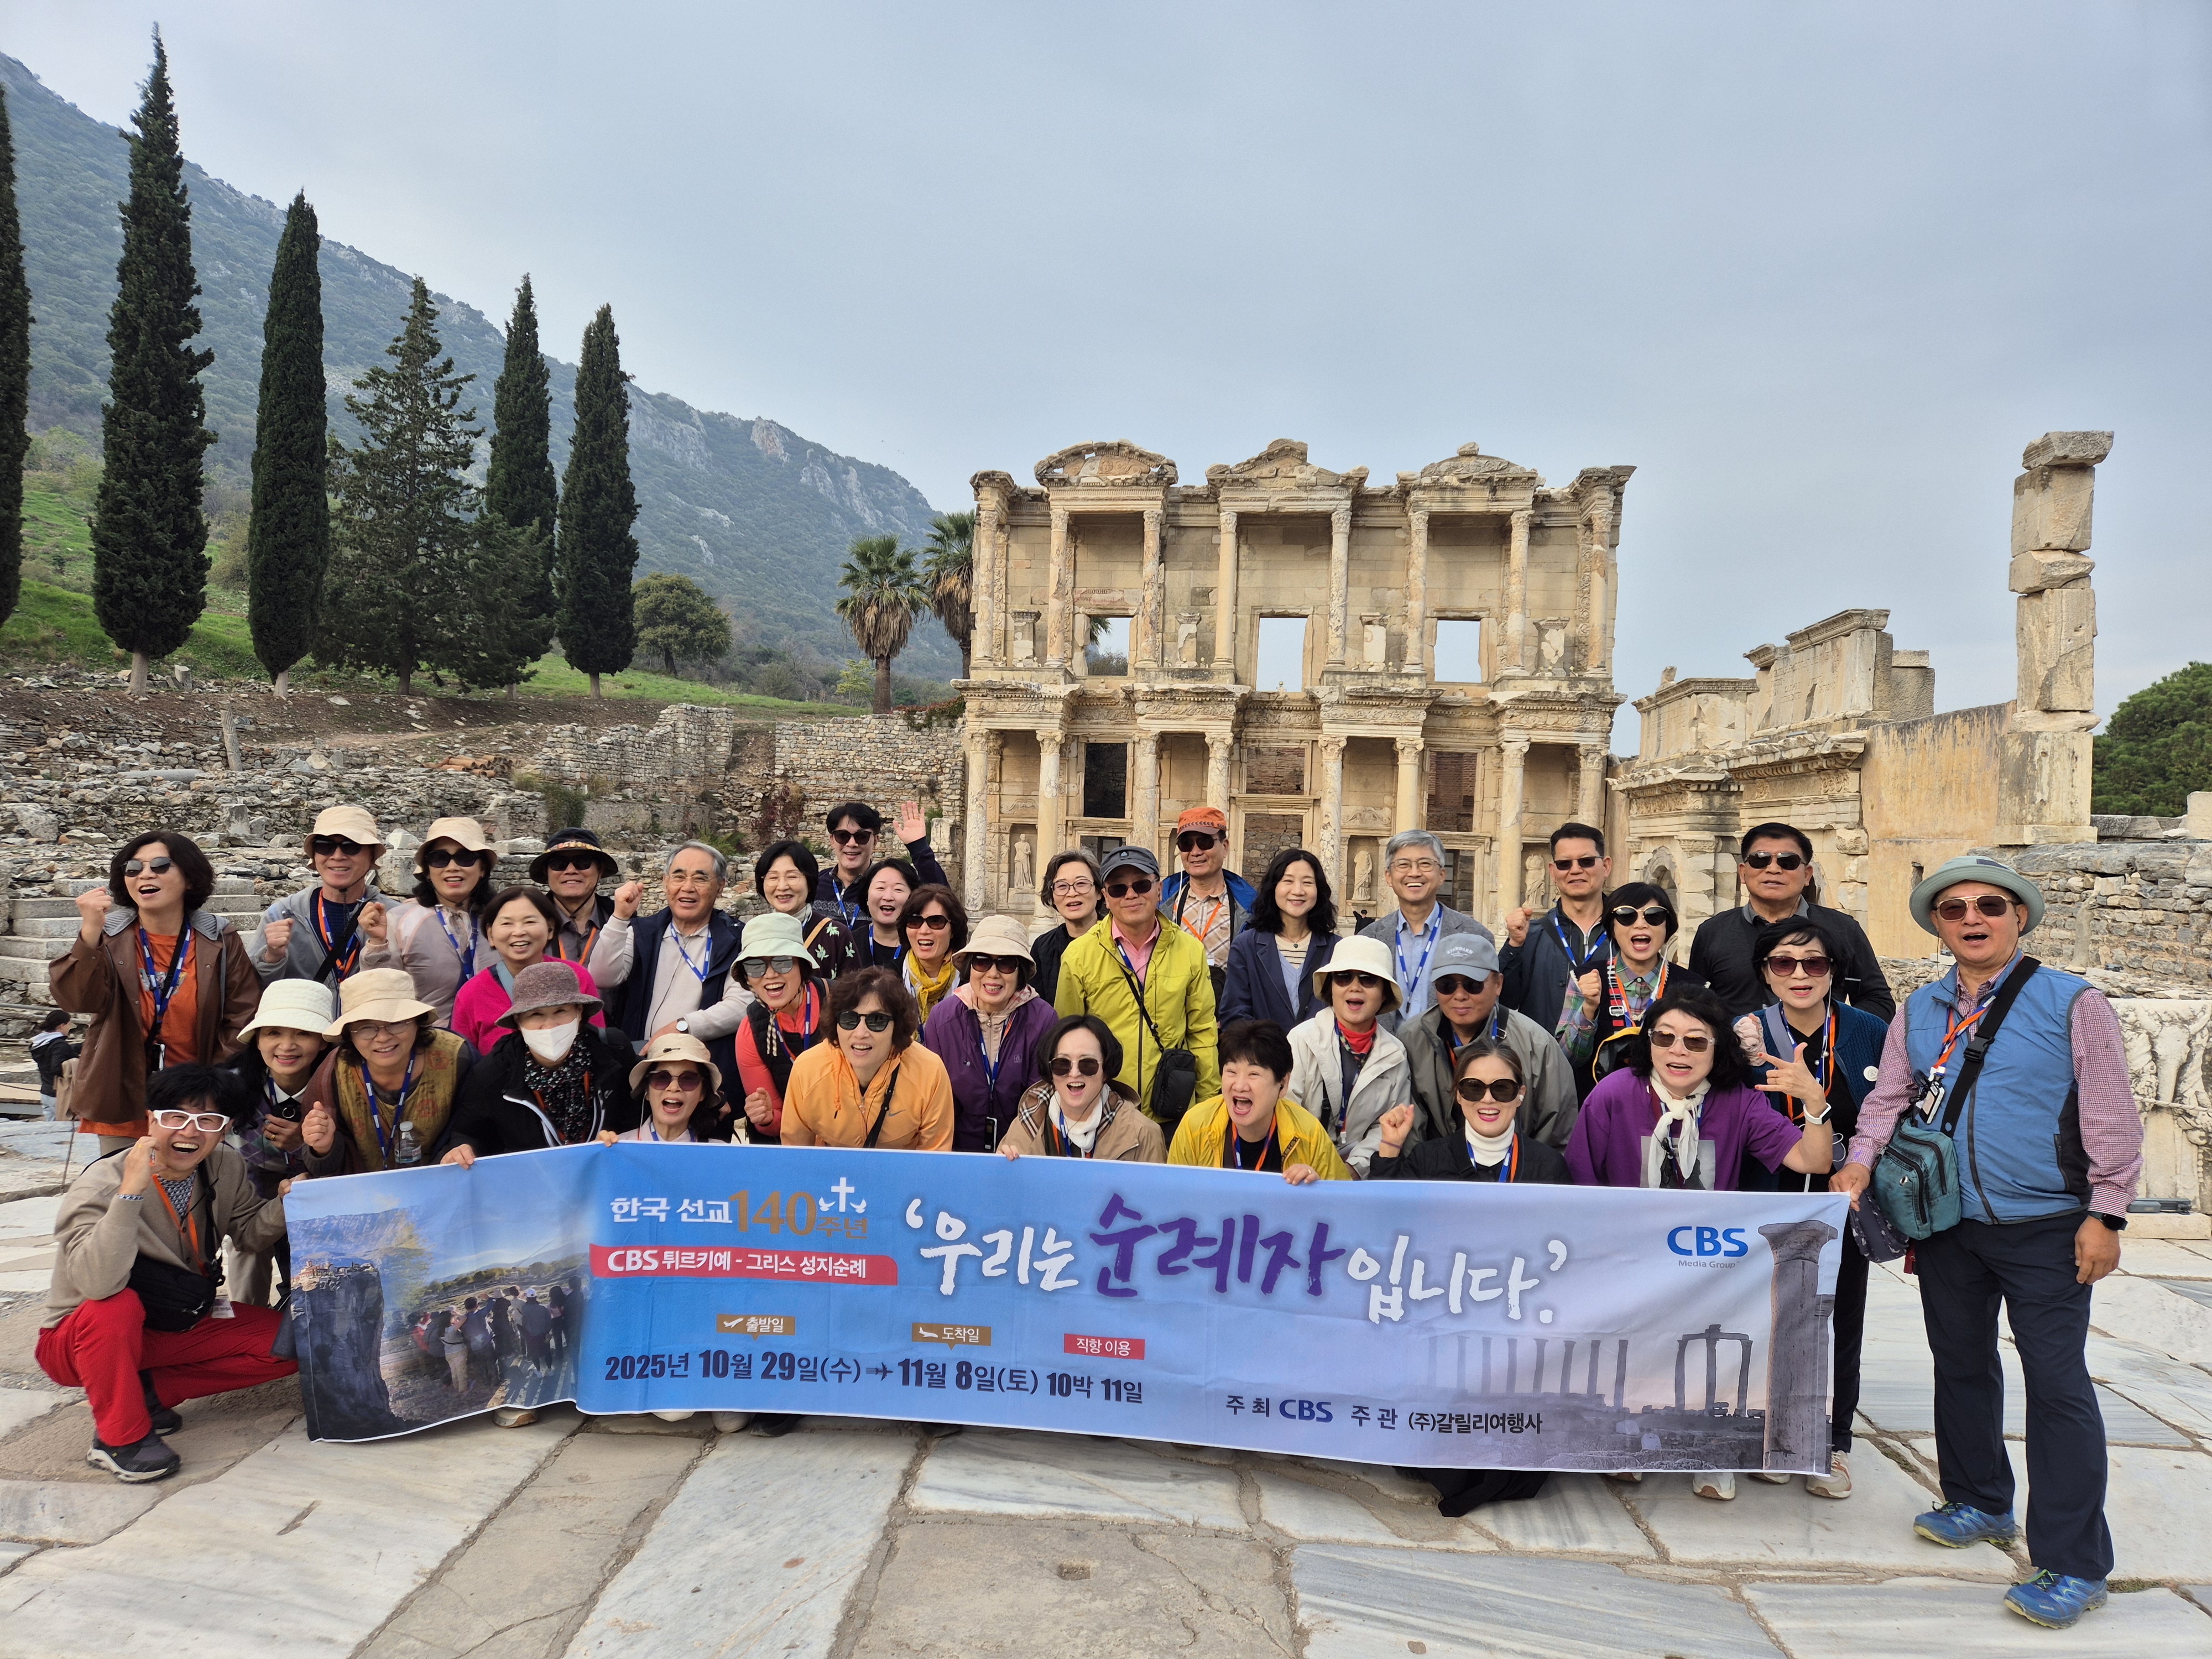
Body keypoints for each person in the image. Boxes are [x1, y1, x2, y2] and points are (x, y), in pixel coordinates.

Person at [1832, 855, 2142, 1630]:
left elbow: (2110, 1111)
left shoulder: (2073, 1003)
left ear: (2019, 917)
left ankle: (2074, 1561)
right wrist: (1860, 1162)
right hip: (1946, 1223)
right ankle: (1977, 1499)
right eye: (1955, 908)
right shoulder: (1921, 1008)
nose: (1973, 918)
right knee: (1961, 1363)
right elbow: (1890, 1098)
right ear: (1938, 925)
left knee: (2058, 1387)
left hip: (2046, 1224)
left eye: (1990, 906)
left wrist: (2107, 1213)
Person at [1567, 987, 1833, 1503]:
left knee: (1712, 1354)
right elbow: (1580, 1178)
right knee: (1633, 1351)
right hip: (1629, 1257)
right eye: (1664, 1037)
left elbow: (1813, 1161)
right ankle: (1630, 1446)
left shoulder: (1739, 1103)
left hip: (1706, 1264)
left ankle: (1712, 1454)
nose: (1678, 1051)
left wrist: (1815, 1105)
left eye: (1695, 1041)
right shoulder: (1615, 1094)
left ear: (1717, 1049)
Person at [35, 1065, 295, 1483]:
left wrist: (286, 1202)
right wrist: (131, 1192)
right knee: (116, 1306)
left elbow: (249, 1234)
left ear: (224, 1130)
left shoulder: (224, 1165)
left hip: (173, 1318)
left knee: (291, 1343)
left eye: (208, 1120)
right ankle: (120, 1439)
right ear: (151, 1120)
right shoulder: (102, 1182)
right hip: (80, 1338)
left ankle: (147, 1394)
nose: (190, 1132)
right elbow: (98, 1285)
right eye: (176, 1117)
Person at [1370, 1040, 1569, 1519]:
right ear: (1458, 1095)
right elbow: (1382, 1224)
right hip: (1441, 1325)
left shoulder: (1547, 1166)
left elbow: (1566, 1254)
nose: (1488, 1099)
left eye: (1502, 1088)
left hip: (1515, 1330)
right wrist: (1390, 1147)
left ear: (1521, 1095)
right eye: (1474, 1088)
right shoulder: (1428, 1159)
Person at [1735, 915, 1885, 1501]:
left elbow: (1888, 1109)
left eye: (1814, 963)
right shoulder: (1745, 1034)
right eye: (1784, 963)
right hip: (1766, 1192)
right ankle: (1772, 1434)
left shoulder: (1867, 1030)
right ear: (1766, 973)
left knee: (1839, 1316)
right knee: (1767, 1317)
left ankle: (1832, 1440)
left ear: (1833, 972)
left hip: (1842, 1196)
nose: (1800, 974)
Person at [54, 831, 261, 1157]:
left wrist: (206, 1077)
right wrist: (90, 932)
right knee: (125, 1180)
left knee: (188, 1183)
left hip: (194, 1102)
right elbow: (77, 1000)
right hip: (123, 1094)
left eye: (161, 865)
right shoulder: (110, 936)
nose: (145, 874)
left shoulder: (219, 937)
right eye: (134, 868)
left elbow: (243, 1014)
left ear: (190, 878)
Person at [1052, 845, 1220, 1125]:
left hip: (1173, 1110)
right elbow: (1066, 1036)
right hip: (1104, 1110)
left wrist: (1207, 1106)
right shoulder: (1079, 955)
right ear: (1106, 897)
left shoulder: (1191, 951)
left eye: (1141, 885)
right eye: (1118, 889)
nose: (1131, 895)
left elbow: (1202, 1032)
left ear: (1159, 889)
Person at [1688, 823, 1895, 1020]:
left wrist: (1834, 1027)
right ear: (1743, 872)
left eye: (1788, 862)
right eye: (1760, 860)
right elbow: (1694, 1004)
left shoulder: (1843, 929)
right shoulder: (1713, 932)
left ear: (1807, 875)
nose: (1773, 869)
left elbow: (1878, 1000)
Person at [1400, 934, 1580, 1151]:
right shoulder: (1411, 1038)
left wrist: (1529, 1168)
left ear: (1498, 984)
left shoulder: (1538, 1045)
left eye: (1473, 985)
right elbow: (1409, 1130)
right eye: (1446, 985)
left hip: (1518, 1168)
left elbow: (1559, 1136)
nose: (1459, 995)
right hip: (1434, 1169)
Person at [442, 963, 638, 1160]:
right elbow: (469, 1133)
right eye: (536, 1014)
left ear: (579, 1013)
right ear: (518, 1022)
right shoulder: (493, 1074)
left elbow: (638, 1115)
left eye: (561, 1011)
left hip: (607, 1168)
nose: (549, 1026)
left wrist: (619, 1138)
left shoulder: (615, 1051)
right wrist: (463, 1149)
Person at [219, 979, 334, 1306]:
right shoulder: (229, 1087)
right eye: (273, 1033)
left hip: (318, 1182)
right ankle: (248, 1317)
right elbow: (225, 1160)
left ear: (323, 1041)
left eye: (303, 1033)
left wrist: (303, 1145)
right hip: (250, 1185)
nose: (287, 1046)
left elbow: (347, 1157)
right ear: (257, 1040)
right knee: (246, 1249)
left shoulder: (341, 1083)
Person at [300, 969, 477, 1175]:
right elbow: (321, 1166)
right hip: (366, 1190)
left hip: (447, 1181)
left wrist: (460, 1148)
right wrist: (323, 1148)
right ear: (349, 1034)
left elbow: (478, 1128)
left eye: (396, 1023)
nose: (383, 1038)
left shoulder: (457, 1056)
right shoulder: (334, 1073)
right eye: (366, 1028)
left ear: (417, 1022)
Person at [604, 843, 748, 1086]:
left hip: (700, 1075)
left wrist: (684, 1027)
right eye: (679, 877)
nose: (687, 887)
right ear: (665, 882)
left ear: (721, 886)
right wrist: (620, 918)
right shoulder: (642, 932)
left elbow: (741, 1005)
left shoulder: (735, 939)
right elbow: (604, 977)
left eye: (700, 879)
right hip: (640, 1063)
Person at [1558, 883, 1708, 1100]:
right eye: (1626, 916)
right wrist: (1589, 1009)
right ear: (1612, 927)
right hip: (1600, 1107)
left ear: (1667, 927)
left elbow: (1706, 1059)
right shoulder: (1585, 979)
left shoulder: (1697, 989)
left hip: (1672, 1110)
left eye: (1654, 916)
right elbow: (1565, 1060)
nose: (1641, 924)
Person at [923, 915, 1058, 1152]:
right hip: (956, 1152)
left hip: (1020, 1153)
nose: (993, 974)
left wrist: (1016, 1145)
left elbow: (1040, 1097)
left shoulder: (1043, 1019)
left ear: (1020, 970)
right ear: (970, 966)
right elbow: (934, 1098)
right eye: (982, 962)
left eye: (1006, 964)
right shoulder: (942, 1018)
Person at [781, 968, 954, 1150]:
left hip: (903, 1168)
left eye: (877, 1020)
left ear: (897, 1027)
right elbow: (795, 1155)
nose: (861, 1033)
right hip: (831, 1168)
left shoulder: (930, 1072)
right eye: (849, 1019)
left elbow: (934, 1157)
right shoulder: (806, 1069)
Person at [1284, 936, 1411, 1176]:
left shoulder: (1396, 1053)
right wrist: (1316, 1167)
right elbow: (1287, 1111)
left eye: (1368, 979)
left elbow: (1389, 1125)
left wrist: (1352, 1169)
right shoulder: (1300, 1039)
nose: (1355, 987)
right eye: (1343, 977)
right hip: (1299, 1173)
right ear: (1331, 988)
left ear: (1384, 993)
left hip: (1359, 1180)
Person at [361, 817, 504, 1025]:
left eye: (465, 857)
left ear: (483, 869)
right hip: (430, 1039)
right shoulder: (401, 920)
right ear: (428, 871)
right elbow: (379, 993)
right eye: (439, 859)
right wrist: (377, 944)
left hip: (495, 1037)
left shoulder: (502, 919)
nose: (452, 867)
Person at [1168, 1018, 1349, 1181]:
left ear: (1283, 1084)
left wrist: (1317, 1189)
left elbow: (1341, 1201)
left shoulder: (1309, 1135)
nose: (1240, 1086)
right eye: (1231, 1072)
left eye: (1253, 1074)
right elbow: (1173, 1195)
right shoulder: (1195, 1126)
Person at [1358, 830, 1494, 1029]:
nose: (1414, 873)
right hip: (1382, 1046)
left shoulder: (1476, 936)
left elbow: (1487, 1008)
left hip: (1448, 1046)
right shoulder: (1369, 939)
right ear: (1389, 877)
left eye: (1425, 864)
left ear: (1442, 875)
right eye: (1403, 864)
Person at [451, 887, 609, 1056]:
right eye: (507, 923)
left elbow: (597, 1046)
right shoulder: (472, 993)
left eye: (530, 922)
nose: (519, 932)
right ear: (490, 934)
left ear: (550, 928)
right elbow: (463, 1059)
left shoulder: (576, 977)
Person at [999, 1014, 1166, 1162]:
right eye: (1062, 1064)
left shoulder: (1143, 1133)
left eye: (1088, 1064)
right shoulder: (1025, 1125)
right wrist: (1001, 1170)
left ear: (1106, 1070)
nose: (1074, 1073)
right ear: (1051, 1072)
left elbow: (1156, 1189)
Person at [250, 805, 386, 985]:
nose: (337, 856)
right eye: (325, 846)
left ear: (372, 856)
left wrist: (379, 947)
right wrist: (272, 957)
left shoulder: (396, 917)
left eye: (352, 847)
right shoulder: (281, 915)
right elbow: (250, 986)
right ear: (314, 856)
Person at [1498, 822, 1611, 1028]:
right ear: (1552, 871)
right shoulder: (1531, 936)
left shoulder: (1626, 933)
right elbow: (1502, 1001)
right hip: (1543, 1048)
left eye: (1586, 861)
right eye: (1564, 864)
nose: (1575, 870)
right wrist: (1514, 946)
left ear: (1606, 866)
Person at [729, 912, 828, 1143]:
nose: (770, 974)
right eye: (755, 966)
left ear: (802, 966)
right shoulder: (750, 1032)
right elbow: (777, 1123)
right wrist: (766, 1118)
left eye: (783, 962)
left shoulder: (844, 1004)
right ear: (747, 977)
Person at [1221, 847, 1340, 1028]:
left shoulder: (1337, 949)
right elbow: (1234, 1014)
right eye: (1288, 881)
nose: (1298, 891)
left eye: (1307, 882)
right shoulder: (1246, 947)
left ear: (1319, 890)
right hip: (1262, 1047)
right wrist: (1270, 1044)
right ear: (1274, 887)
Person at [1158, 807, 1256, 996]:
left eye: (1205, 842)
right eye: (1186, 844)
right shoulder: (1160, 903)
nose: (1195, 852)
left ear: (1225, 847)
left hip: (1227, 1009)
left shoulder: (1251, 908)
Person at [530, 828, 637, 990]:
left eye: (583, 862)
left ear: (600, 871)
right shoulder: (527, 926)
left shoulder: (629, 925)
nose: (571, 871)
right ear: (547, 873)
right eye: (558, 864)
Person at [817, 800, 950, 928]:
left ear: (875, 841)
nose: (852, 844)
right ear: (832, 840)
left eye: (862, 836)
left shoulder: (892, 888)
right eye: (842, 836)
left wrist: (919, 848)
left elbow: (943, 901)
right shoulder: (815, 885)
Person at [753, 839, 862, 979]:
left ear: (810, 882)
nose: (782, 886)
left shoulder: (836, 935)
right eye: (773, 877)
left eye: (792, 877)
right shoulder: (756, 933)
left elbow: (855, 989)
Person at [603, 1032, 724, 1144]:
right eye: (661, 1078)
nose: (674, 1087)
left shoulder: (721, 1154)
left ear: (703, 1093)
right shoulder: (617, 1147)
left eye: (688, 1079)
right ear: (647, 1090)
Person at [1029, 850, 1103, 1005]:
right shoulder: (1042, 948)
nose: (1072, 893)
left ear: (1099, 892)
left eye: (1081, 884)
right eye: (1062, 886)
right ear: (1052, 896)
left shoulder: (1119, 941)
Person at [899, 884, 966, 1024]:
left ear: (953, 930)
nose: (924, 931)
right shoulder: (890, 979)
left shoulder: (970, 981)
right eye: (915, 921)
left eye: (936, 922)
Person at [856, 857, 920, 971]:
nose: (888, 897)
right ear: (867, 896)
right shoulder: (849, 943)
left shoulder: (922, 945)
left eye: (898, 889)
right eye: (881, 888)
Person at [32, 1008, 77, 1121]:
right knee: (64, 1128)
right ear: (62, 1026)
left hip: (46, 1093)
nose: (69, 1027)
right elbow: (57, 1067)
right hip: (60, 1095)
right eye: (69, 1024)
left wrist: (84, 1046)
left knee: (51, 1127)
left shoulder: (41, 1043)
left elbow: (60, 1050)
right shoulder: (59, 1045)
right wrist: (74, 1066)